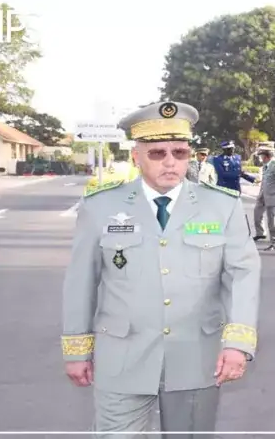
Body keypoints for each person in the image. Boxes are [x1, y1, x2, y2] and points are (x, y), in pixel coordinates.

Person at [61, 100, 261, 438]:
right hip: (122, 354)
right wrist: (77, 349)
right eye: (157, 153)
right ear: (136, 156)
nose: (170, 162)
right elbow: (81, 281)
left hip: (196, 355)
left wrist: (237, 343)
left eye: (179, 153)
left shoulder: (221, 206)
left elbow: (242, 275)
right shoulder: (101, 206)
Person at [252, 141, 275, 242]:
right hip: (262, 193)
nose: (260, 156)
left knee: (272, 218)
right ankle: (260, 233)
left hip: (272, 195)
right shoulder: (264, 165)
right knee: (257, 213)